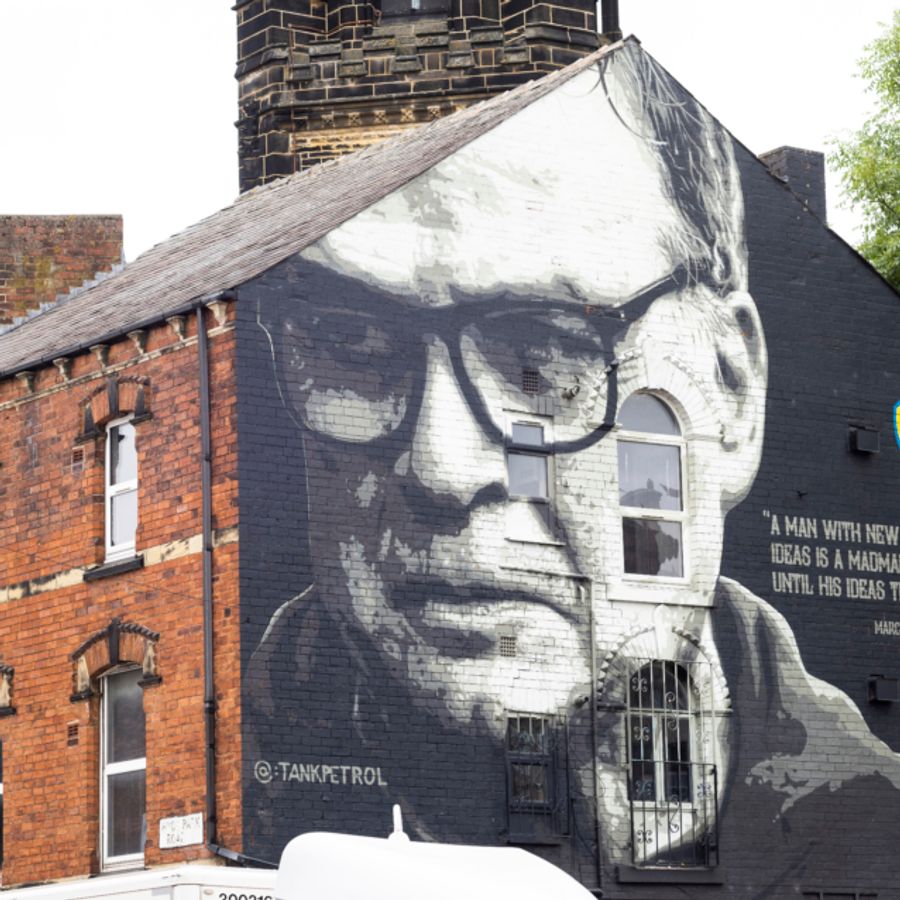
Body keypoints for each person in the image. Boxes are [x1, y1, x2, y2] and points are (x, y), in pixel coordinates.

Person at [245, 40, 900, 892]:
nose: (443, 466)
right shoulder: (256, 776)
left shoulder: (866, 826)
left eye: (544, 353)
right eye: (350, 343)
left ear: (729, 390)